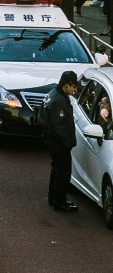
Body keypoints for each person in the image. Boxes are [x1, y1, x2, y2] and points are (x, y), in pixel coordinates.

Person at [45, 69, 82, 212]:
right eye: (73, 87)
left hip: (52, 140)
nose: (74, 90)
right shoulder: (59, 101)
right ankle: (60, 201)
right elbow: (59, 126)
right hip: (58, 142)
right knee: (64, 171)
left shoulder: (54, 94)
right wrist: (68, 143)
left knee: (56, 169)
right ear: (66, 85)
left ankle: (53, 197)